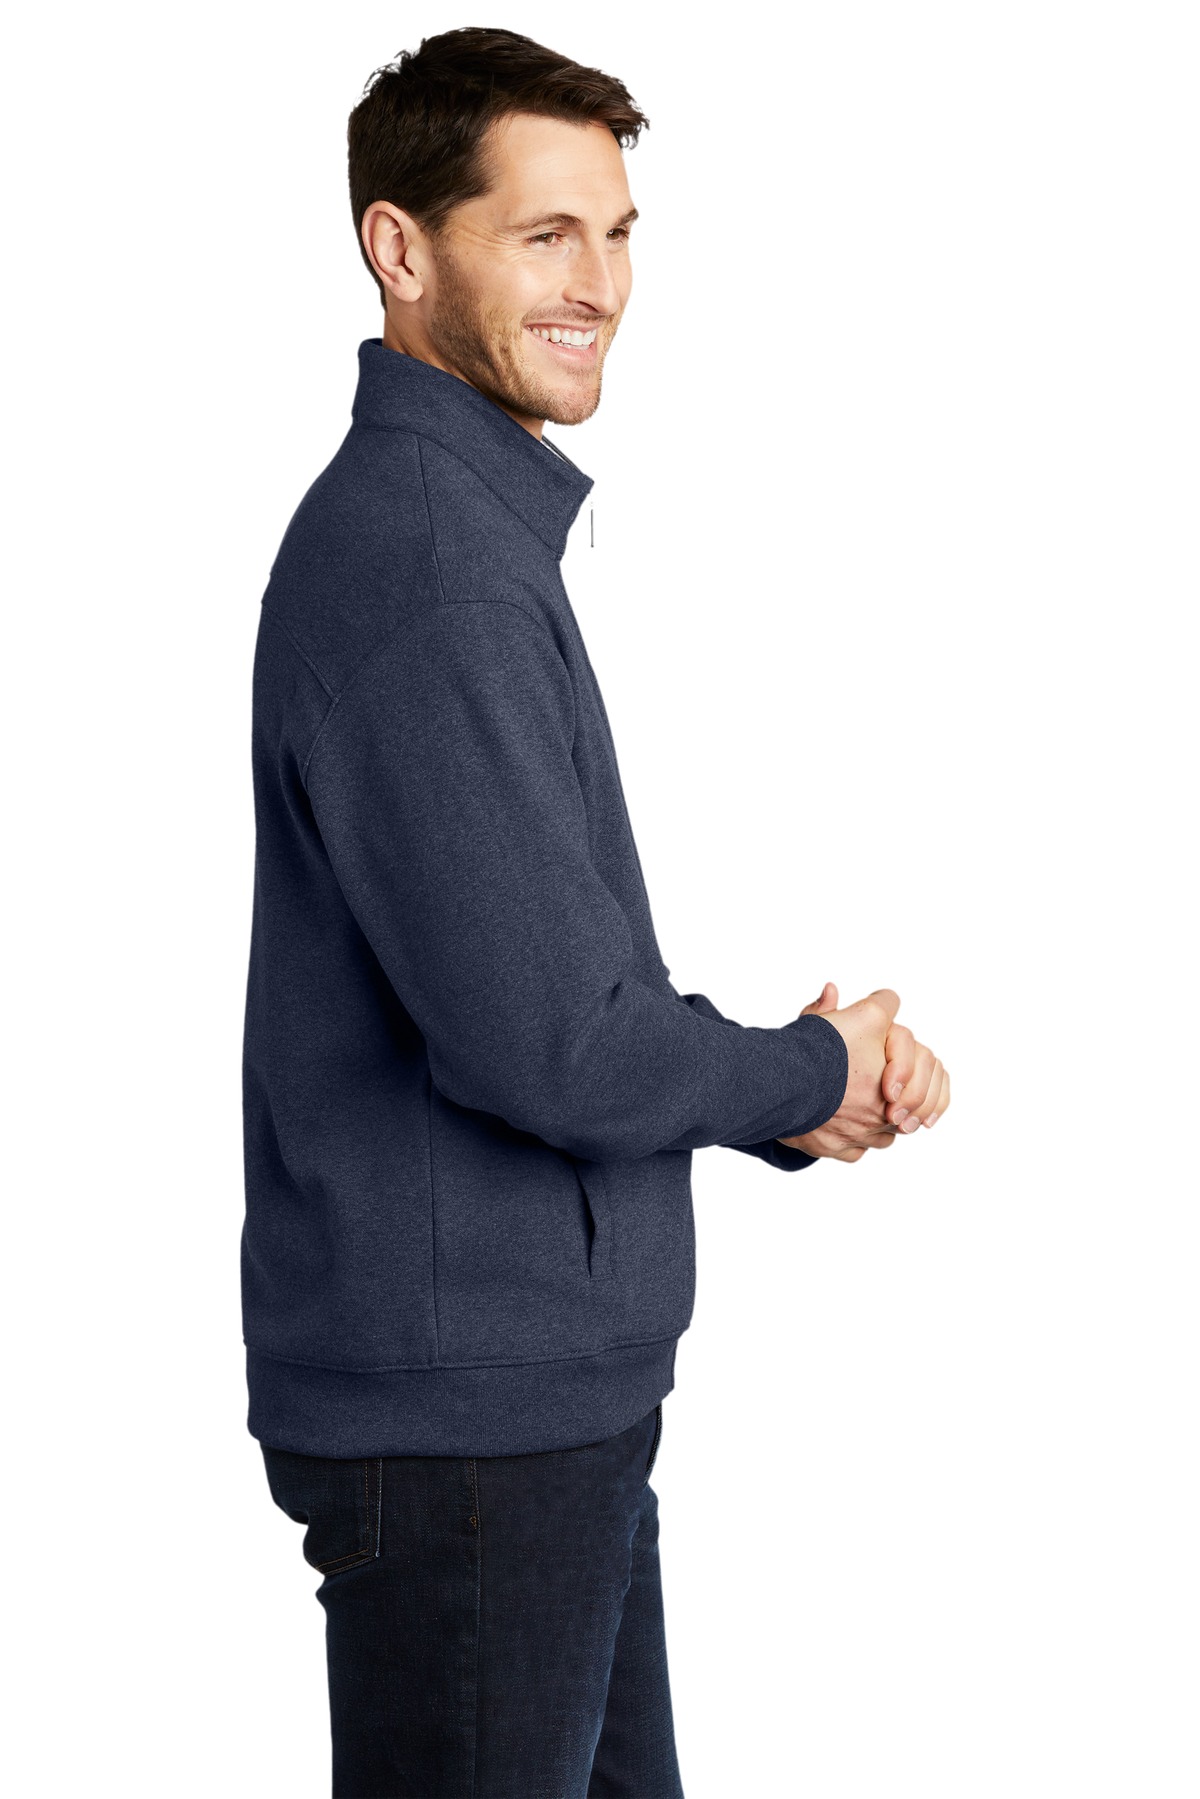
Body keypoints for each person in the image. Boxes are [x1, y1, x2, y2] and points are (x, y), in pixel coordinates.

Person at [241, 26, 950, 1797]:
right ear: (402, 248)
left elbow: (540, 991)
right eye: (545, 235)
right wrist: (810, 1071)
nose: (602, 287)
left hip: (536, 1411)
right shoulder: (428, 567)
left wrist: (792, 1096)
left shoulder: (466, 538)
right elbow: (552, 1046)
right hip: (476, 1436)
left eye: (619, 233)